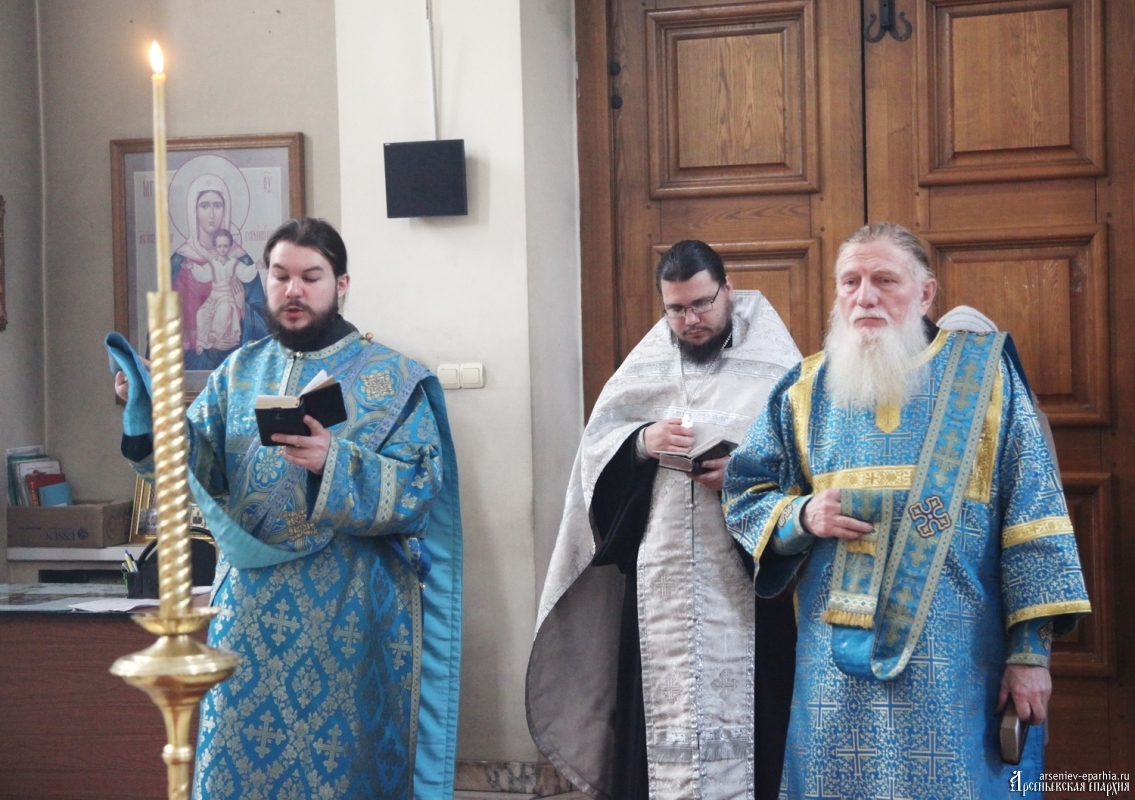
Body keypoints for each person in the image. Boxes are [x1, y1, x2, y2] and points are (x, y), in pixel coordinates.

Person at [722, 222, 1091, 799]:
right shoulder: (804, 388)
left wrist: (1029, 654)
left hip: (960, 672)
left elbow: (1034, 517)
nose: (864, 297)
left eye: (884, 280)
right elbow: (745, 491)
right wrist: (801, 517)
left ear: (925, 294)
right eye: (850, 282)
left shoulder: (987, 380)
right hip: (835, 675)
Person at [109, 218, 463, 799]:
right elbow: (194, 469)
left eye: (310, 277)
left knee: (338, 773)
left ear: (341, 284)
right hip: (247, 613)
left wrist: (333, 461)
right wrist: (148, 409)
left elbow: (419, 490)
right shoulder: (238, 371)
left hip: (348, 615)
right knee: (236, 767)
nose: (293, 290)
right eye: (280, 276)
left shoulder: (395, 378)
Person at [527, 240, 802, 800]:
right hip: (661, 585)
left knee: (760, 720)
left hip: (748, 584)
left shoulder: (778, 366)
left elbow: (808, 458)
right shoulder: (646, 367)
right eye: (676, 309)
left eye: (701, 304)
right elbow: (596, 461)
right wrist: (641, 443)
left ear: (727, 291)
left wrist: (743, 471)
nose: (691, 320)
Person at [172, 173, 269, 369]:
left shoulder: (241, 260)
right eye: (204, 206)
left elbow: (264, 323)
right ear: (193, 211)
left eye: (217, 205)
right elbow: (165, 324)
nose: (211, 214)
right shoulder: (180, 261)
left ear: (226, 209)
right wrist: (207, 342)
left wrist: (242, 308)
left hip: (235, 365)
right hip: (191, 366)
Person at [194, 229, 250, 355]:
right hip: (214, 296)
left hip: (228, 296)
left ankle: (214, 335)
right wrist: (192, 267)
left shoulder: (235, 263)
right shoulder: (212, 264)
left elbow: (245, 272)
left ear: (230, 246)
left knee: (224, 309)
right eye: (219, 246)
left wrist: (256, 267)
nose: (222, 249)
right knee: (201, 313)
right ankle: (201, 342)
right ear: (215, 246)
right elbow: (202, 274)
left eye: (225, 246)